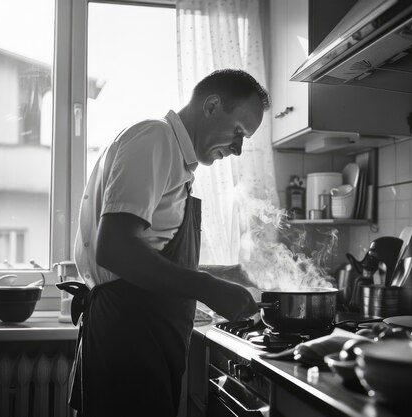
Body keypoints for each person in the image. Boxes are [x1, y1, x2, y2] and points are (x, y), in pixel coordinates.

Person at [63, 69, 270, 417]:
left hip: (143, 339)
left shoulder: (176, 160)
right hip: (129, 341)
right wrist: (208, 287)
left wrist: (231, 274)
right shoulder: (155, 140)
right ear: (212, 106)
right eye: (238, 132)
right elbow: (114, 248)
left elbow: (149, 258)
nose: (238, 148)